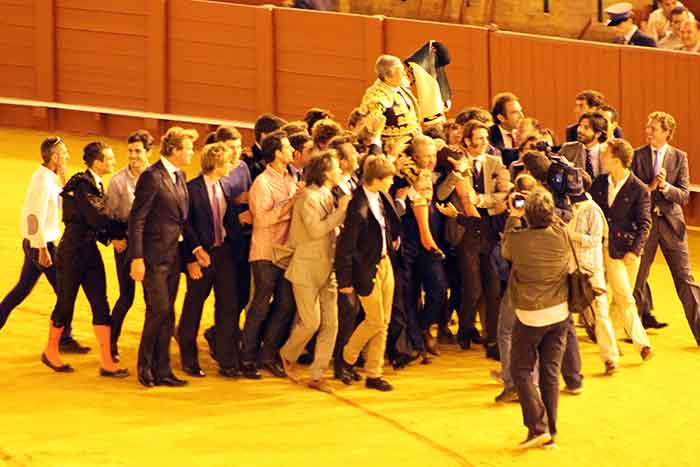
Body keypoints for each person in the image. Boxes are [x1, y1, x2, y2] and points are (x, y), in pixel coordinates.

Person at [42, 142, 128, 377]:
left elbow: (95, 222)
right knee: (66, 302)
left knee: (101, 302)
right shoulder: (83, 185)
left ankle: (107, 362)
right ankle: (50, 351)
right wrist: (121, 232)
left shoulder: (93, 185)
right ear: (98, 163)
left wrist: (111, 238)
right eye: (109, 158)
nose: (113, 161)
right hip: (72, 253)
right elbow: (98, 219)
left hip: (88, 250)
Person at [0, 137, 89, 354]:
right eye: (64, 153)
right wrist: (41, 248)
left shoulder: (49, 178)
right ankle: (64, 338)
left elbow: (63, 201)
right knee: (65, 291)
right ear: (55, 157)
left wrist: (64, 176)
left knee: (22, 289)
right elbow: (32, 217)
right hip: (41, 245)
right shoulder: (42, 181)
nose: (68, 156)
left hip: (39, 243)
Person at [130, 127, 198, 388]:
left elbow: (182, 220)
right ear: (175, 150)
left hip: (173, 256)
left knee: (168, 314)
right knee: (158, 310)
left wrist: (194, 249)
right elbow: (137, 219)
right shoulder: (151, 177)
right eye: (189, 148)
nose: (192, 152)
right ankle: (144, 366)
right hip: (152, 257)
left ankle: (164, 369)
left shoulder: (179, 175)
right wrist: (137, 257)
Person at [502, 189, 571, 449]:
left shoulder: (519, 240)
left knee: (520, 369)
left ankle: (537, 426)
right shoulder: (562, 235)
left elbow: (506, 250)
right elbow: (557, 223)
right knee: (550, 373)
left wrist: (514, 215)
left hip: (530, 315)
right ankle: (550, 433)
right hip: (560, 313)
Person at [280, 152, 350, 393]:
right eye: (336, 168)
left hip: (326, 266)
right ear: (325, 173)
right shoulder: (308, 198)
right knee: (311, 322)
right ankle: (288, 354)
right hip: (306, 267)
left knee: (331, 323)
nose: (341, 170)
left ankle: (317, 374)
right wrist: (341, 212)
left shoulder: (326, 195)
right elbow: (316, 230)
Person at [632, 112, 700, 342]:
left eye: (653, 128)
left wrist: (666, 187)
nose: (648, 131)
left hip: (672, 225)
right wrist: (650, 186)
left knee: (685, 279)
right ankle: (635, 330)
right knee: (637, 278)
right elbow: (632, 191)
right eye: (648, 127)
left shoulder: (680, 158)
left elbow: (683, 196)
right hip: (645, 225)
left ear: (667, 133)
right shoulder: (637, 156)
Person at [336, 155, 402, 391]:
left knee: (382, 322)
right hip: (367, 268)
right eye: (389, 178)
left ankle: (374, 373)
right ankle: (347, 357)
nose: (392, 182)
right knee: (374, 320)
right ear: (377, 179)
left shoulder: (381, 197)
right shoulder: (357, 205)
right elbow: (346, 246)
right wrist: (344, 279)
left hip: (385, 264)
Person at [178, 142, 244, 378]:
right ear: (215, 164)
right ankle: (188, 358)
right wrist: (191, 257)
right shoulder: (191, 189)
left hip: (223, 253)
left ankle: (227, 361)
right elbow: (183, 226)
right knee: (194, 306)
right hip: (201, 256)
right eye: (227, 162)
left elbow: (228, 221)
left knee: (228, 306)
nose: (231, 166)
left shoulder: (223, 187)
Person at [240, 130, 299, 379]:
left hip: (286, 252)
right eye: (286, 148)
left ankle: (268, 353)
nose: (291, 151)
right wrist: (290, 204)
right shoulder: (262, 183)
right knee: (260, 306)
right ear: (276, 153)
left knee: (286, 304)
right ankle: (247, 357)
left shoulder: (290, 178)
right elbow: (262, 220)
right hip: (265, 252)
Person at [590, 139, 654, 361]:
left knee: (623, 299)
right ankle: (638, 344)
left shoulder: (639, 189)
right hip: (600, 249)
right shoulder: (598, 184)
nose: (601, 157)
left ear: (616, 160)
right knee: (614, 299)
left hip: (624, 251)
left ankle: (627, 343)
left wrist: (635, 251)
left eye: (605, 155)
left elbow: (645, 223)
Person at [105, 129, 153, 361]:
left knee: (153, 299)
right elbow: (110, 216)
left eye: (138, 151)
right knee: (126, 297)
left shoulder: (156, 176)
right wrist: (115, 238)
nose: (133, 155)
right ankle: (110, 343)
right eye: (130, 151)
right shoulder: (117, 181)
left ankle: (150, 346)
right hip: (125, 240)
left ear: (148, 152)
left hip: (151, 242)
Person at [567, 171, 620, 374]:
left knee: (601, 314)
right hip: (570, 268)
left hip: (590, 270)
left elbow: (596, 240)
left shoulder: (592, 210)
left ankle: (610, 358)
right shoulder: (567, 206)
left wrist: (572, 235)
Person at [359, 54, 421, 149]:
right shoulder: (376, 96)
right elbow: (373, 128)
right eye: (400, 72)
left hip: (414, 140)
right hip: (392, 147)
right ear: (388, 77)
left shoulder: (399, 86)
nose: (404, 74)